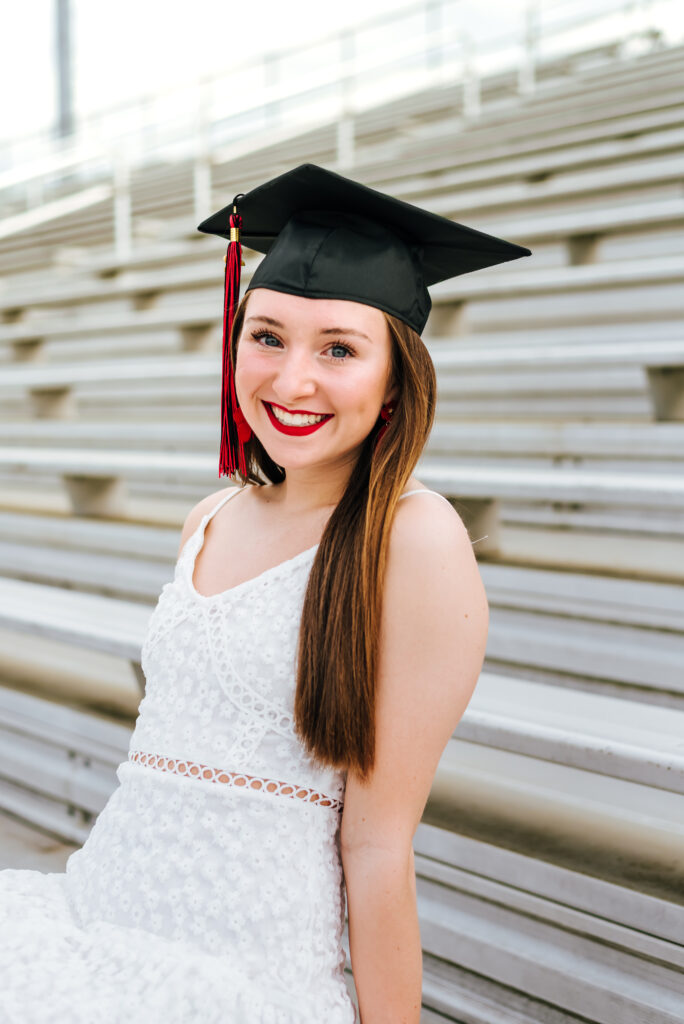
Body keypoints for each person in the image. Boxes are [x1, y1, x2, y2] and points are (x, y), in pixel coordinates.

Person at [0, 163, 531, 1023]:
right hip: (95, 917)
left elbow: (377, 842)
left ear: (397, 378)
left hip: (239, 970)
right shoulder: (210, 517)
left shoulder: (412, 538)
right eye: (268, 337)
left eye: (339, 349)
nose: (290, 381)